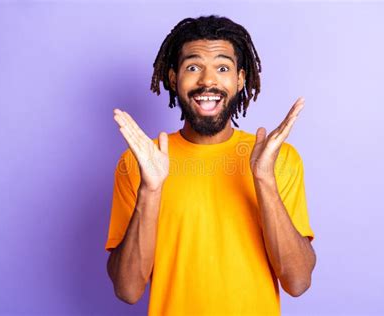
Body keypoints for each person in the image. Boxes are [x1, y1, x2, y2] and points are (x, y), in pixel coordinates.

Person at [105, 15, 316, 316]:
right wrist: (150, 190)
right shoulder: (138, 162)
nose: (208, 80)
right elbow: (127, 290)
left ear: (240, 79)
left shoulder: (278, 160)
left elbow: (298, 281)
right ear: (174, 77)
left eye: (222, 67)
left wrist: (264, 180)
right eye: (193, 67)